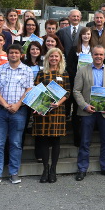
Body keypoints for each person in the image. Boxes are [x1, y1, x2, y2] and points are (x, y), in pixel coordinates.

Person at [0, 44, 34, 186]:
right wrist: (5, 104)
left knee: (15, 143)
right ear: (7, 54)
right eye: (11, 53)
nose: (13, 55)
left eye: (16, 53)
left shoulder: (27, 70)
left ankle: (14, 173)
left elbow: (29, 89)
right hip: (0, 111)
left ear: (21, 55)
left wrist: (18, 104)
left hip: (19, 111)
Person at [73, 45, 105, 180]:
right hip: (88, 112)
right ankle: (82, 168)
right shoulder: (82, 70)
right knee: (85, 141)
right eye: (96, 54)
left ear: (104, 56)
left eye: (101, 54)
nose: (98, 57)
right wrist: (85, 106)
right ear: (92, 55)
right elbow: (76, 91)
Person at [32, 48, 70, 183]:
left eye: (56, 56)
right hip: (42, 111)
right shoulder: (41, 73)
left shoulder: (64, 73)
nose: (54, 58)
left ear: (60, 58)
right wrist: (37, 106)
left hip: (57, 111)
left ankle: (53, 169)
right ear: (47, 58)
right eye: (51, 56)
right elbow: (36, 90)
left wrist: (58, 103)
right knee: (43, 140)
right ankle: (45, 169)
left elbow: (67, 92)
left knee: (55, 141)